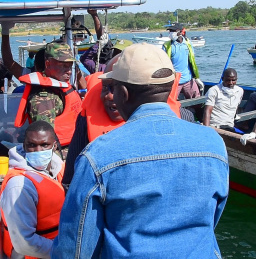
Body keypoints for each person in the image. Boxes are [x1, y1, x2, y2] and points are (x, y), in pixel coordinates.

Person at [51, 43, 229, 258]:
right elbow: (213, 218)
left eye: (113, 88)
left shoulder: (98, 156)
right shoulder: (213, 143)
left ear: (123, 93)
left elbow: (75, 248)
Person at [62, 51, 181, 190]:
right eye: (105, 87)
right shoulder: (85, 123)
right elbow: (70, 182)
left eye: (116, 88)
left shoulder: (183, 118)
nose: (110, 96)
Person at [0, 120, 65, 259]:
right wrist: (63, 251)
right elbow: (24, 243)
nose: (38, 151)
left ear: (54, 146)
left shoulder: (58, 165)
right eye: (32, 145)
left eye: (44, 145)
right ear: (24, 146)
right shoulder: (19, 185)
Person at [14, 42, 82, 160]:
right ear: (47, 63)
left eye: (70, 66)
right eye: (63, 66)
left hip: (73, 148)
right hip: (59, 157)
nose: (69, 71)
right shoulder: (43, 98)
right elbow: (42, 141)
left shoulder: (60, 87)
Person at [162, 22, 203, 99]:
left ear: (180, 32)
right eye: (170, 31)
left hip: (188, 80)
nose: (171, 33)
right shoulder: (166, 46)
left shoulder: (188, 43)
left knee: (197, 101)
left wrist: (196, 77)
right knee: (171, 103)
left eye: (173, 31)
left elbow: (192, 61)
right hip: (174, 82)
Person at [203, 68, 244, 133]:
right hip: (216, 126)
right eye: (228, 80)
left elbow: (235, 108)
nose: (231, 83)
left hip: (230, 126)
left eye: (233, 80)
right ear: (222, 79)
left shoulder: (240, 91)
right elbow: (207, 110)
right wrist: (206, 130)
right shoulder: (214, 90)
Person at [79, 9, 111, 74]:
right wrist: (100, 43)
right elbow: (102, 39)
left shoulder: (104, 69)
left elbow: (85, 59)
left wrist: (99, 44)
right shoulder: (104, 68)